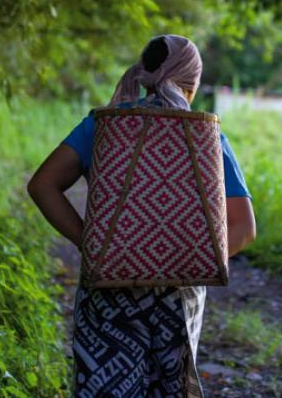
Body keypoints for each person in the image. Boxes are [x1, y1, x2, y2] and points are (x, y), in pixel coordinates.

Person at [28, 34, 257, 397]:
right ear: (191, 82)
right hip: (177, 300)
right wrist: (185, 258)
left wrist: (95, 244)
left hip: (107, 290)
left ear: (145, 72)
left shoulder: (103, 125)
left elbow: (42, 185)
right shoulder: (208, 136)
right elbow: (244, 228)